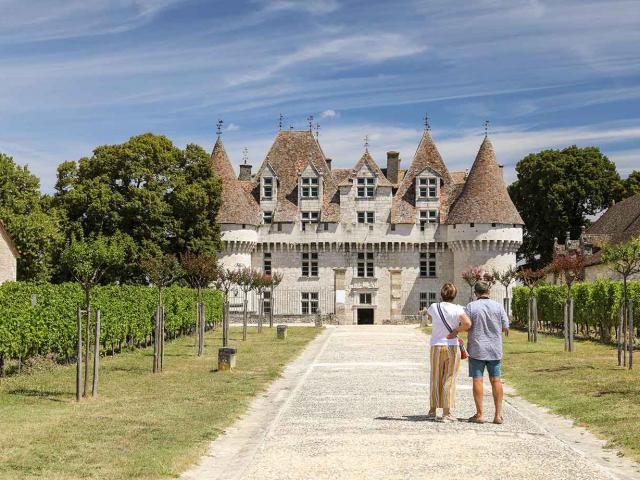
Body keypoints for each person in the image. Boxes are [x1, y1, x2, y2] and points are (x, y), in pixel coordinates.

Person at [462, 280, 509, 424]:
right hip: (494, 349)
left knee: (478, 380)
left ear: (475, 293)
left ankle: (480, 414)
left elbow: (465, 325)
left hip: (477, 349)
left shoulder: (471, 306)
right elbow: (505, 327)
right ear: (489, 292)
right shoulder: (498, 306)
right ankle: (498, 415)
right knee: (496, 380)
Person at [426, 283, 472, 422]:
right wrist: (456, 331)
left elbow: (429, 318)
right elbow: (468, 324)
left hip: (436, 346)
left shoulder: (434, 307)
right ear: (455, 295)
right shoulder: (458, 309)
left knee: (435, 376)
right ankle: (446, 413)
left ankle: (432, 409)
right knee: (449, 378)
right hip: (451, 346)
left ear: (441, 294)